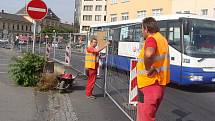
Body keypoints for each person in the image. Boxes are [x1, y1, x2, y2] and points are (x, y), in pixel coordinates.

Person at [136, 17, 170, 121]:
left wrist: (148, 67)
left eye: (142, 29)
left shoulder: (151, 39)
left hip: (149, 85)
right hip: (154, 85)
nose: (141, 32)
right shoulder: (162, 39)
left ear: (146, 29)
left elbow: (149, 53)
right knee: (142, 114)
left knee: (145, 117)